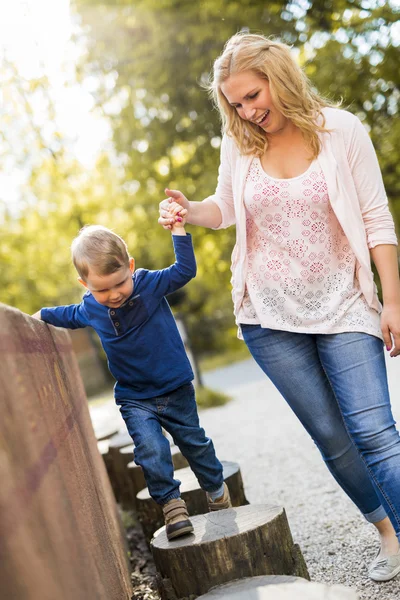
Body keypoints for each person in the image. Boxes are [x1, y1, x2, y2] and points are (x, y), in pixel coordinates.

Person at [159, 32, 400, 579]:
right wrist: (190, 211)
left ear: (279, 78)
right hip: (268, 312)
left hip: (345, 302)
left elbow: (376, 220)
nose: (246, 110)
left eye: (252, 96)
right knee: (334, 440)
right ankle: (388, 535)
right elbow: (223, 206)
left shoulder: (341, 130)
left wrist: (392, 300)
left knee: (374, 432)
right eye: (235, 103)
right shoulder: (239, 142)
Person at [32, 210, 231, 541]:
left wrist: (179, 230)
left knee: (194, 443)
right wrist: (37, 317)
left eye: (120, 282)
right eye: (102, 289)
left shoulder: (150, 285)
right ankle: (173, 507)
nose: (114, 294)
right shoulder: (91, 308)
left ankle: (216, 490)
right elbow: (64, 315)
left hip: (174, 388)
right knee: (151, 450)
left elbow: (185, 270)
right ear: (85, 285)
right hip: (135, 397)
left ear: (131, 267)